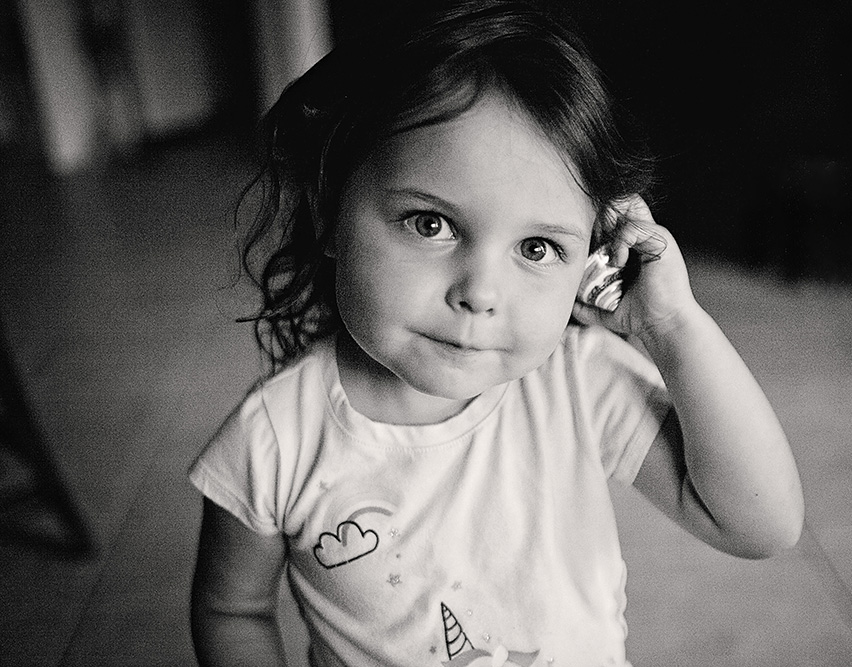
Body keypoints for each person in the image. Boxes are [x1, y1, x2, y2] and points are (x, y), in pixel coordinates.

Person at [188, 1, 804, 665]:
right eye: (430, 224)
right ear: (332, 209)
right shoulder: (275, 438)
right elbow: (233, 608)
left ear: (589, 260)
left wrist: (674, 326)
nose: (480, 293)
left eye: (537, 247)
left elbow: (760, 523)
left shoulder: (576, 382)